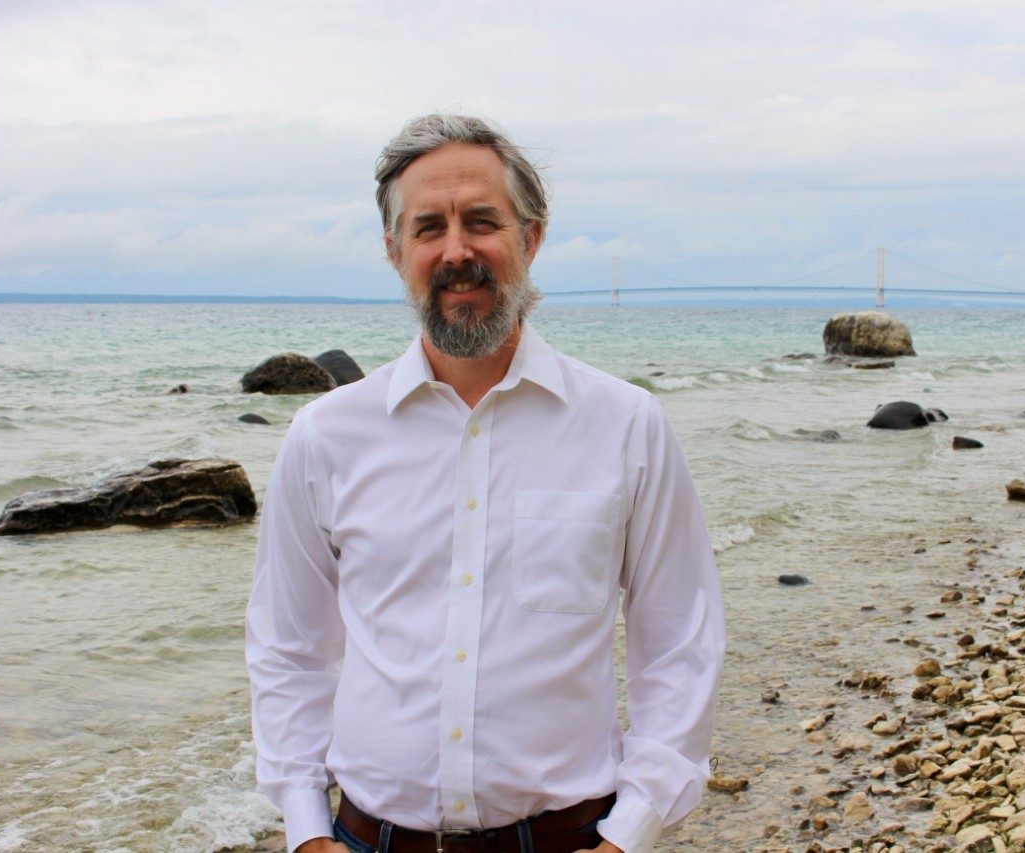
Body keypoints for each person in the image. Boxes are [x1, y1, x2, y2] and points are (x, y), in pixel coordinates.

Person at [246, 114, 725, 853]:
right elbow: (289, 645)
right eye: (428, 227)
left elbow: (680, 642)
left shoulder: (627, 425)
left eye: (481, 221)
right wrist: (306, 830)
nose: (456, 250)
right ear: (394, 250)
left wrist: (632, 831)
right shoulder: (325, 436)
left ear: (530, 238)